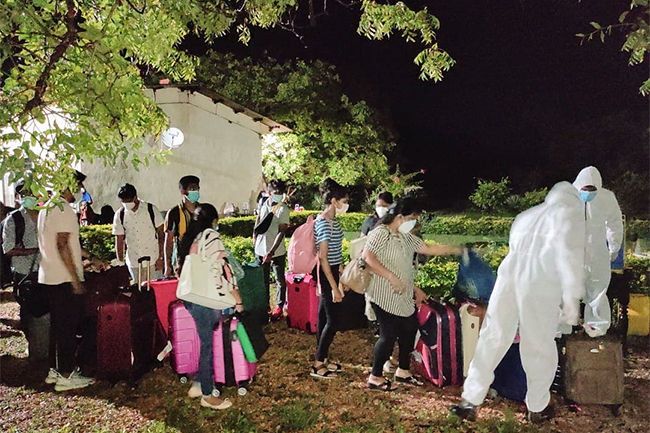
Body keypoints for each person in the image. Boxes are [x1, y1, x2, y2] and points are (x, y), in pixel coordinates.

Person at [449, 181, 586, 423]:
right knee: (539, 345)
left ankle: (469, 401)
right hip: (540, 283)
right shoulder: (570, 214)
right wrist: (572, 300)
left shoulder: (527, 215)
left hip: (509, 278)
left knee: (492, 338)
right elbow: (570, 258)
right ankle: (537, 407)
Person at [362, 198, 463, 391]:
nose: (415, 223)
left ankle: (403, 370)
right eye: (413, 218)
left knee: (409, 330)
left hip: (404, 295)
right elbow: (367, 257)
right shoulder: (381, 233)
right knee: (388, 336)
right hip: (384, 294)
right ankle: (375, 377)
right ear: (400, 217)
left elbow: (428, 249)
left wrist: (456, 249)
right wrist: (391, 277)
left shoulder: (404, 237)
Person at [38, 170, 103, 391]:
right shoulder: (64, 208)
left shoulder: (46, 208)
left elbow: (69, 244)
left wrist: (91, 258)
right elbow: (63, 244)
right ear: (68, 186)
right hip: (63, 279)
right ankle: (66, 375)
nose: (79, 191)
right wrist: (75, 279)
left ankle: (54, 371)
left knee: (57, 328)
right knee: (67, 328)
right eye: (77, 186)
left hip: (49, 276)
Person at [177, 203, 244, 410]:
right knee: (207, 345)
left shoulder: (194, 238)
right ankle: (207, 394)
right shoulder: (212, 238)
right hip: (204, 298)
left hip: (192, 296)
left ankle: (199, 383)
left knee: (207, 338)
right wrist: (237, 299)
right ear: (215, 220)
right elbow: (224, 270)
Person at [573, 166, 624, 338]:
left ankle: (597, 325)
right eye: (585, 189)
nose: (588, 193)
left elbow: (615, 224)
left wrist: (613, 248)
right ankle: (562, 326)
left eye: (592, 189)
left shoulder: (607, 198)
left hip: (597, 251)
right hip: (571, 250)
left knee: (598, 288)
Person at [310, 178, 348, 379]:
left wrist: (341, 268)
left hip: (331, 271)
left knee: (323, 317)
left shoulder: (331, 221)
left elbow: (334, 252)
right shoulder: (324, 222)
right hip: (325, 274)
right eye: (344, 200)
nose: (346, 205)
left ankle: (322, 358)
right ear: (334, 201)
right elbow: (323, 257)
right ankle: (318, 364)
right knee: (333, 321)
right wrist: (334, 287)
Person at [2, 180, 43, 358]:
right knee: (27, 312)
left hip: (46, 271)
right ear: (19, 198)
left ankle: (44, 346)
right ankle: (33, 344)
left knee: (46, 310)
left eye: (32, 193)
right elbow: (8, 249)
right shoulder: (14, 220)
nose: (30, 198)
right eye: (25, 195)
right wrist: (35, 250)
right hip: (23, 274)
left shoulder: (45, 214)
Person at [112, 183, 165, 281]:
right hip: (134, 262)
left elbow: (161, 235)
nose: (126, 204)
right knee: (138, 293)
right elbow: (119, 239)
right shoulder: (120, 215)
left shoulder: (151, 210)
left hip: (153, 260)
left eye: (128, 201)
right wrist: (120, 262)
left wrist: (161, 258)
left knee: (155, 291)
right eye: (123, 201)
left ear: (135, 197)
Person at [254, 179, 290, 320]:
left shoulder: (283, 209)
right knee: (263, 281)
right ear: (269, 193)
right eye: (276, 193)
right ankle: (265, 306)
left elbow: (282, 232)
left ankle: (279, 307)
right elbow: (258, 220)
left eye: (281, 192)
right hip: (260, 249)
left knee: (279, 280)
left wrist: (271, 252)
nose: (279, 195)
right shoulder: (263, 203)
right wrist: (254, 237)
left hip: (277, 251)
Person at [164, 175, 201, 277]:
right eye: (191, 189)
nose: (195, 191)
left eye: (197, 188)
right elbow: (169, 241)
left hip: (202, 261)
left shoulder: (203, 211)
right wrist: (167, 265)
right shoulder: (174, 213)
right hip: (182, 262)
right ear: (183, 192)